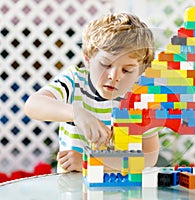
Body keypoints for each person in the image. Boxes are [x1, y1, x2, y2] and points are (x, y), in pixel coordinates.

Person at [24, 13, 159, 173]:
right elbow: (33, 105)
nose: (114, 76)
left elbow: (149, 157)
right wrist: (77, 113)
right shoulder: (75, 81)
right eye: (106, 64)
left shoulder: (140, 99)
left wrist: (90, 163)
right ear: (88, 60)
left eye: (127, 70)